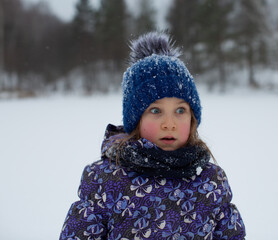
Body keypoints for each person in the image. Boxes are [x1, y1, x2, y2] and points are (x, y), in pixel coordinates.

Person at [60, 32, 246, 240]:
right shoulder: (104, 180)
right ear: (136, 120)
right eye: (156, 111)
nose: (169, 124)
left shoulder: (211, 181)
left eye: (180, 110)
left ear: (193, 118)